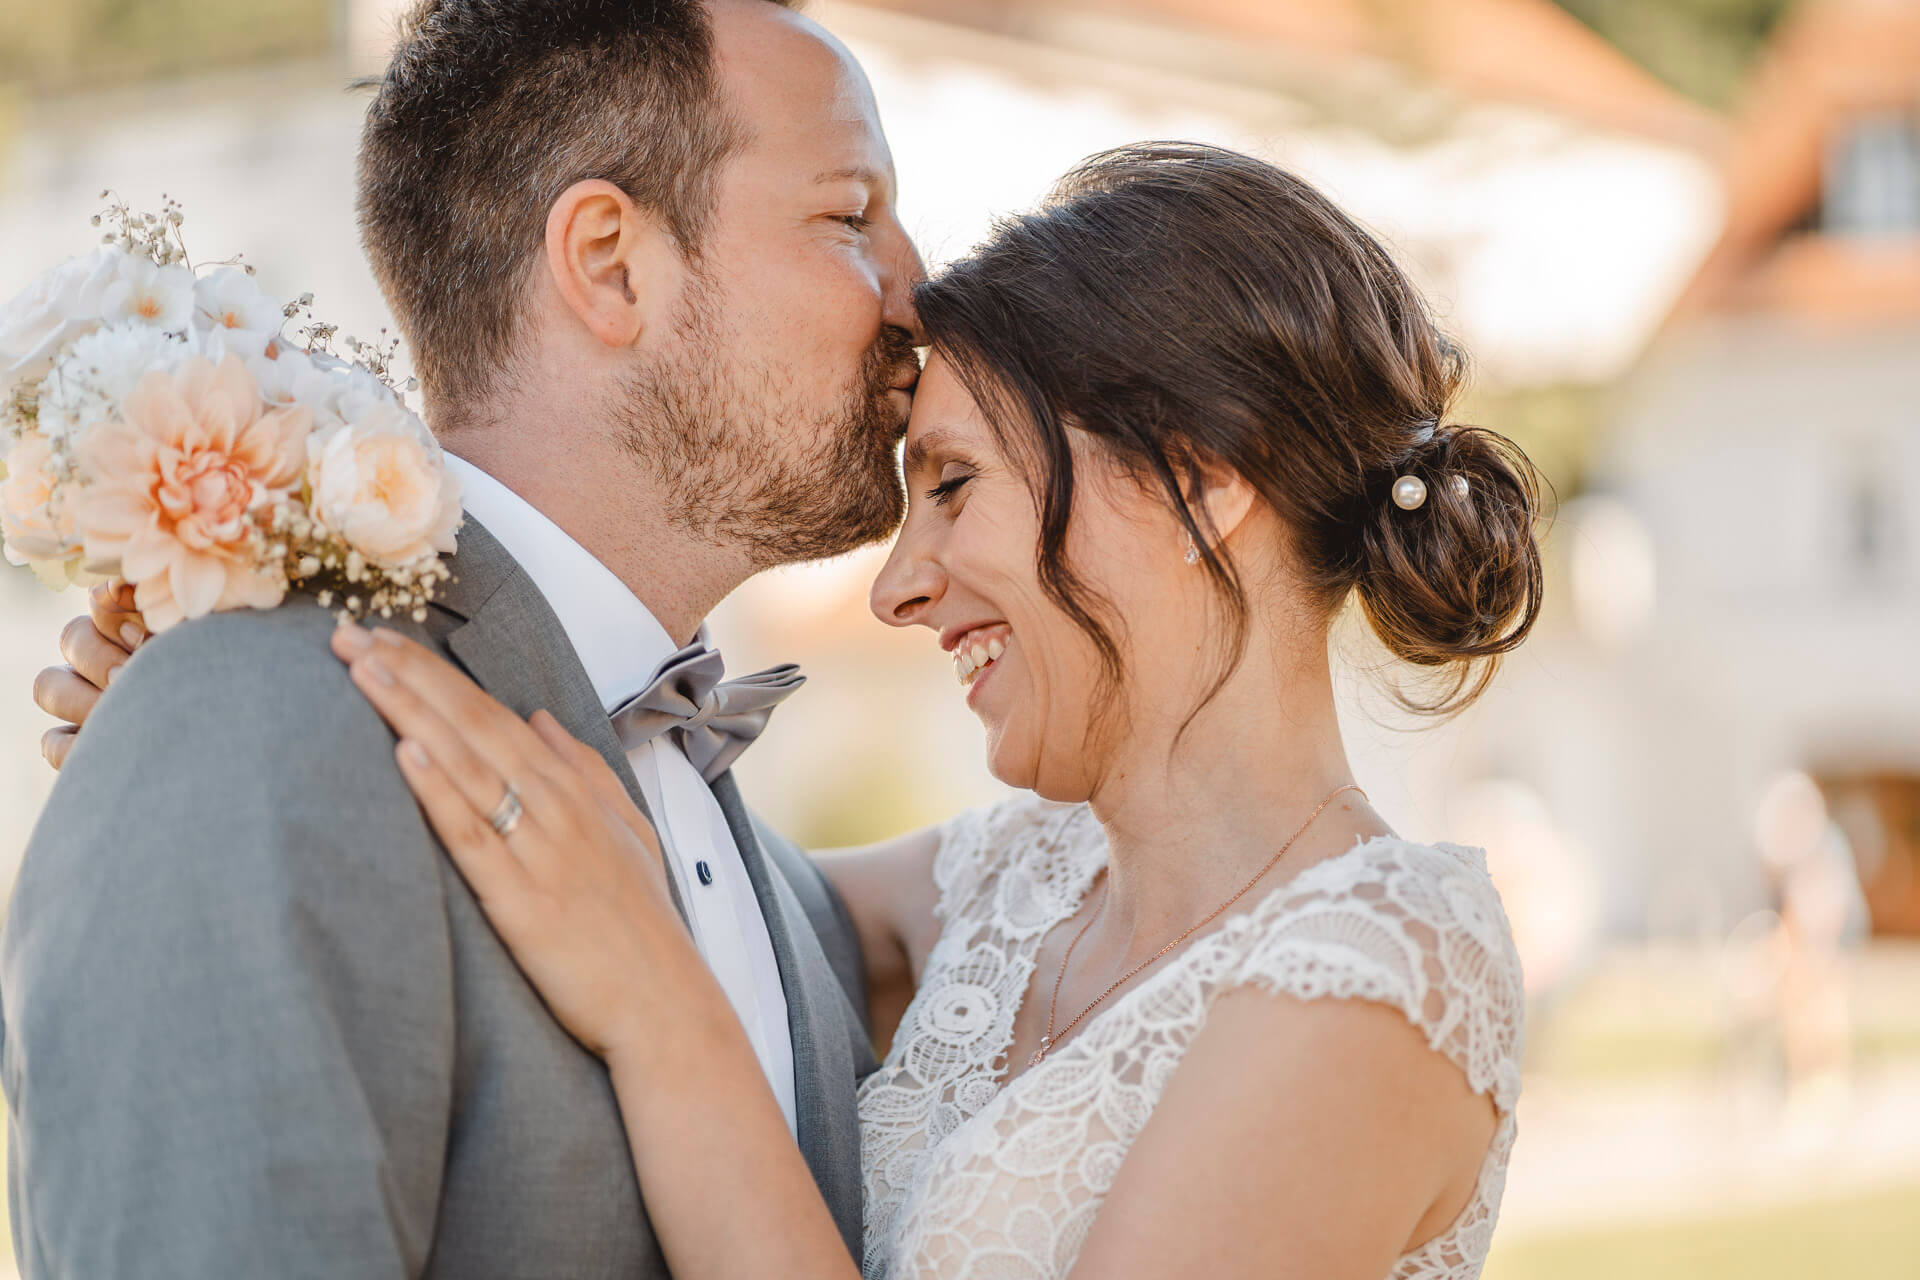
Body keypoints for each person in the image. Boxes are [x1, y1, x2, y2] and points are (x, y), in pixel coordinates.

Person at [38, 141, 1542, 1277]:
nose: (902, 585)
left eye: (953, 485)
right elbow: (629, 864)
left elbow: (650, 942)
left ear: (1200, 482)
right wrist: (260, 711)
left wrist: (662, 1023)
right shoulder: (1000, 892)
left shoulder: (1382, 978)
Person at [4, 1, 918, 1274]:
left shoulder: (766, 864)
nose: (922, 292)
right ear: (610, 262)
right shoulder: (250, 729)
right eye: (850, 215)